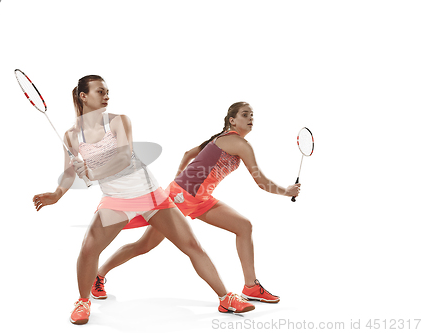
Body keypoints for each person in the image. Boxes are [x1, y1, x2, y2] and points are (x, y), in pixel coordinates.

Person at [32, 76, 255, 325]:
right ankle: (83, 301)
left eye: (107, 91)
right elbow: (69, 172)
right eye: (100, 91)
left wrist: (92, 173)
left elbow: (124, 156)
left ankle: (226, 298)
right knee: (88, 249)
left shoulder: (118, 121)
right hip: (116, 200)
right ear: (83, 96)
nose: (106, 95)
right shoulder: (72, 136)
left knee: (192, 246)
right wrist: (56, 194)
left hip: (150, 196)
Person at [91, 102, 300, 304]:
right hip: (180, 198)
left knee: (243, 226)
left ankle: (251, 286)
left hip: (200, 199)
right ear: (232, 120)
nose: (250, 118)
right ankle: (98, 275)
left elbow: (188, 154)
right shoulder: (238, 143)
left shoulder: (222, 138)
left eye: (252, 115)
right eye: (245, 114)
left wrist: (179, 178)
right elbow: (261, 182)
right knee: (144, 245)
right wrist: (286, 191)